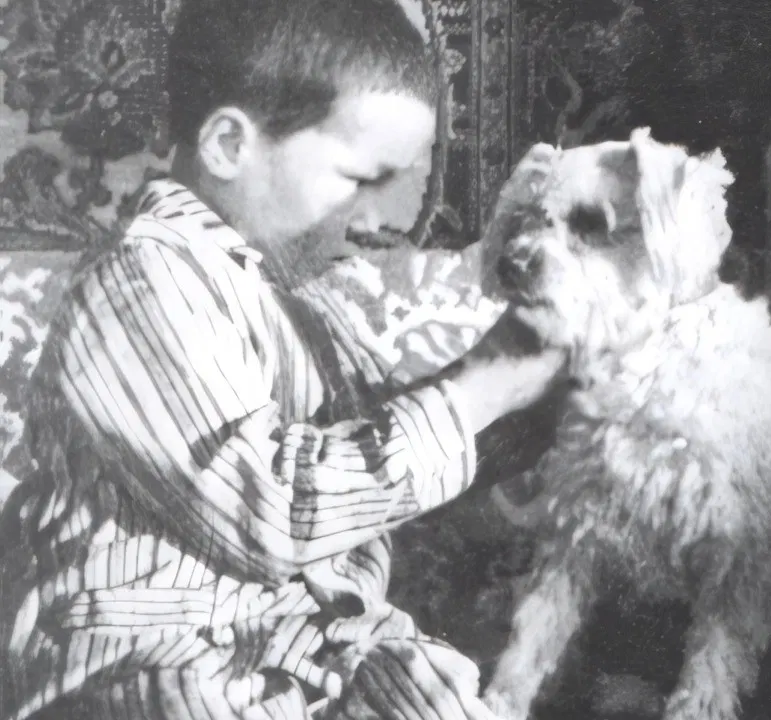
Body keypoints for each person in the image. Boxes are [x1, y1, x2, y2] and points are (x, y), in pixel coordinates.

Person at [0, 0, 566, 718]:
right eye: (361, 178)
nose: (383, 218)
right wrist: (478, 389)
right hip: (147, 658)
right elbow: (268, 510)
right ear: (231, 145)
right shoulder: (141, 280)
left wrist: (545, 393)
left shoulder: (306, 309)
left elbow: (379, 465)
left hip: (293, 652)